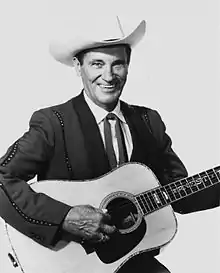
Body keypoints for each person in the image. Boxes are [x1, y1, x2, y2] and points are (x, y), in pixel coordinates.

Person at [0, 17, 219, 273]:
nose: (109, 76)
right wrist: (64, 217)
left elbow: (178, 194)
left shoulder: (149, 122)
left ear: (128, 66)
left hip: (132, 258)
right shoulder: (53, 122)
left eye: (118, 64)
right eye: (97, 64)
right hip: (69, 263)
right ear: (78, 67)